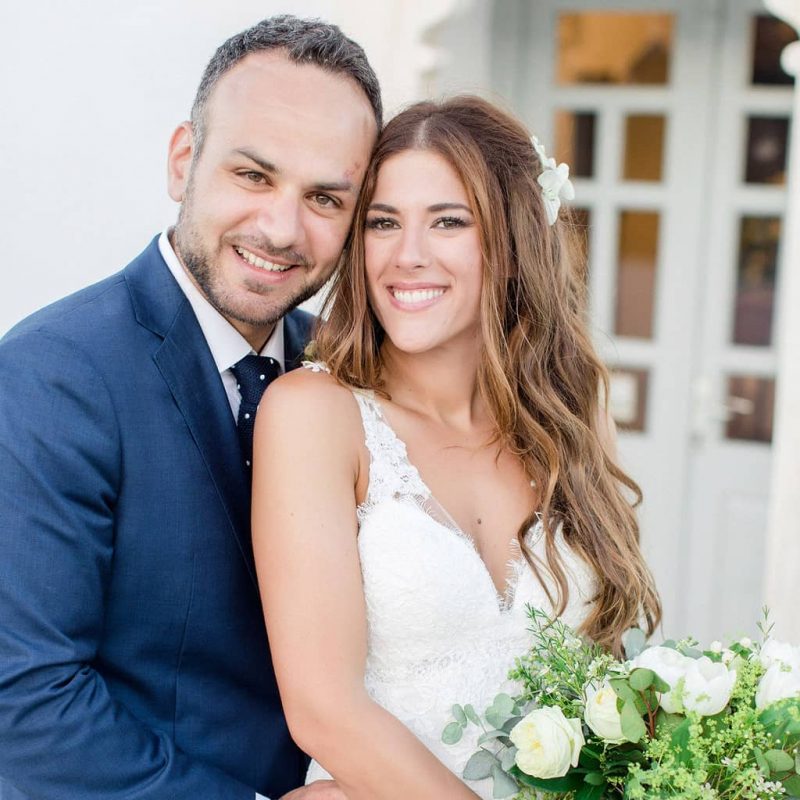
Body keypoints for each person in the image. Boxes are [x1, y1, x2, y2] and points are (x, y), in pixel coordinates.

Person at [0, 16, 380, 800]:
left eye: (324, 197)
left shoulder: (347, 378)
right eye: (253, 175)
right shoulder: (53, 374)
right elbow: (22, 699)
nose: (281, 228)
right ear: (184, 161)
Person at [253, 96, 662, 800]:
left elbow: (608, 682)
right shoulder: (315, 416)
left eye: (448, 221)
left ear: (510, 248)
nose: (407, 256)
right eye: (383, 223)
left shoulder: (569, 420)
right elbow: (325, 710)